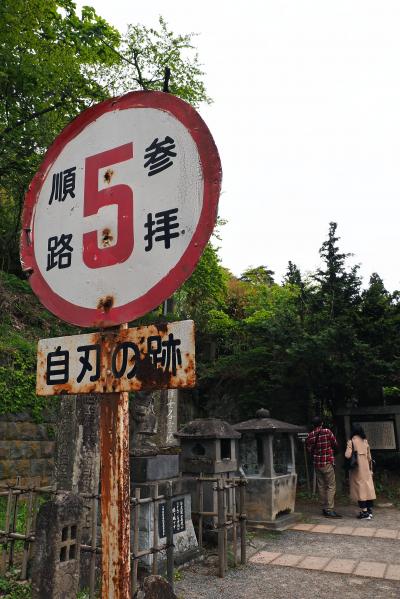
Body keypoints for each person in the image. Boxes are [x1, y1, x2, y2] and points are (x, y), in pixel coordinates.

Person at [306, 416, 342, 518]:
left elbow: (309, 450)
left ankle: (324, 507)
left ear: (313, 425)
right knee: (331, 486)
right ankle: (329, 509)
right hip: (327, 463)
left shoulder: (310, 435)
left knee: (321, 485)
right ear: (321, 423)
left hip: (317, 464)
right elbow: (335, 444)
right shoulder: (327, 432)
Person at [345, 423, 376, 519]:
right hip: (366, 469)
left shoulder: (351, 441)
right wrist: (371, 469)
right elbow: (369, 457)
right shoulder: (365, 441)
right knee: (368, 488)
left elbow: (347, 455)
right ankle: (369, 511)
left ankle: (364, 512)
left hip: (357, 470)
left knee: (360, 490)